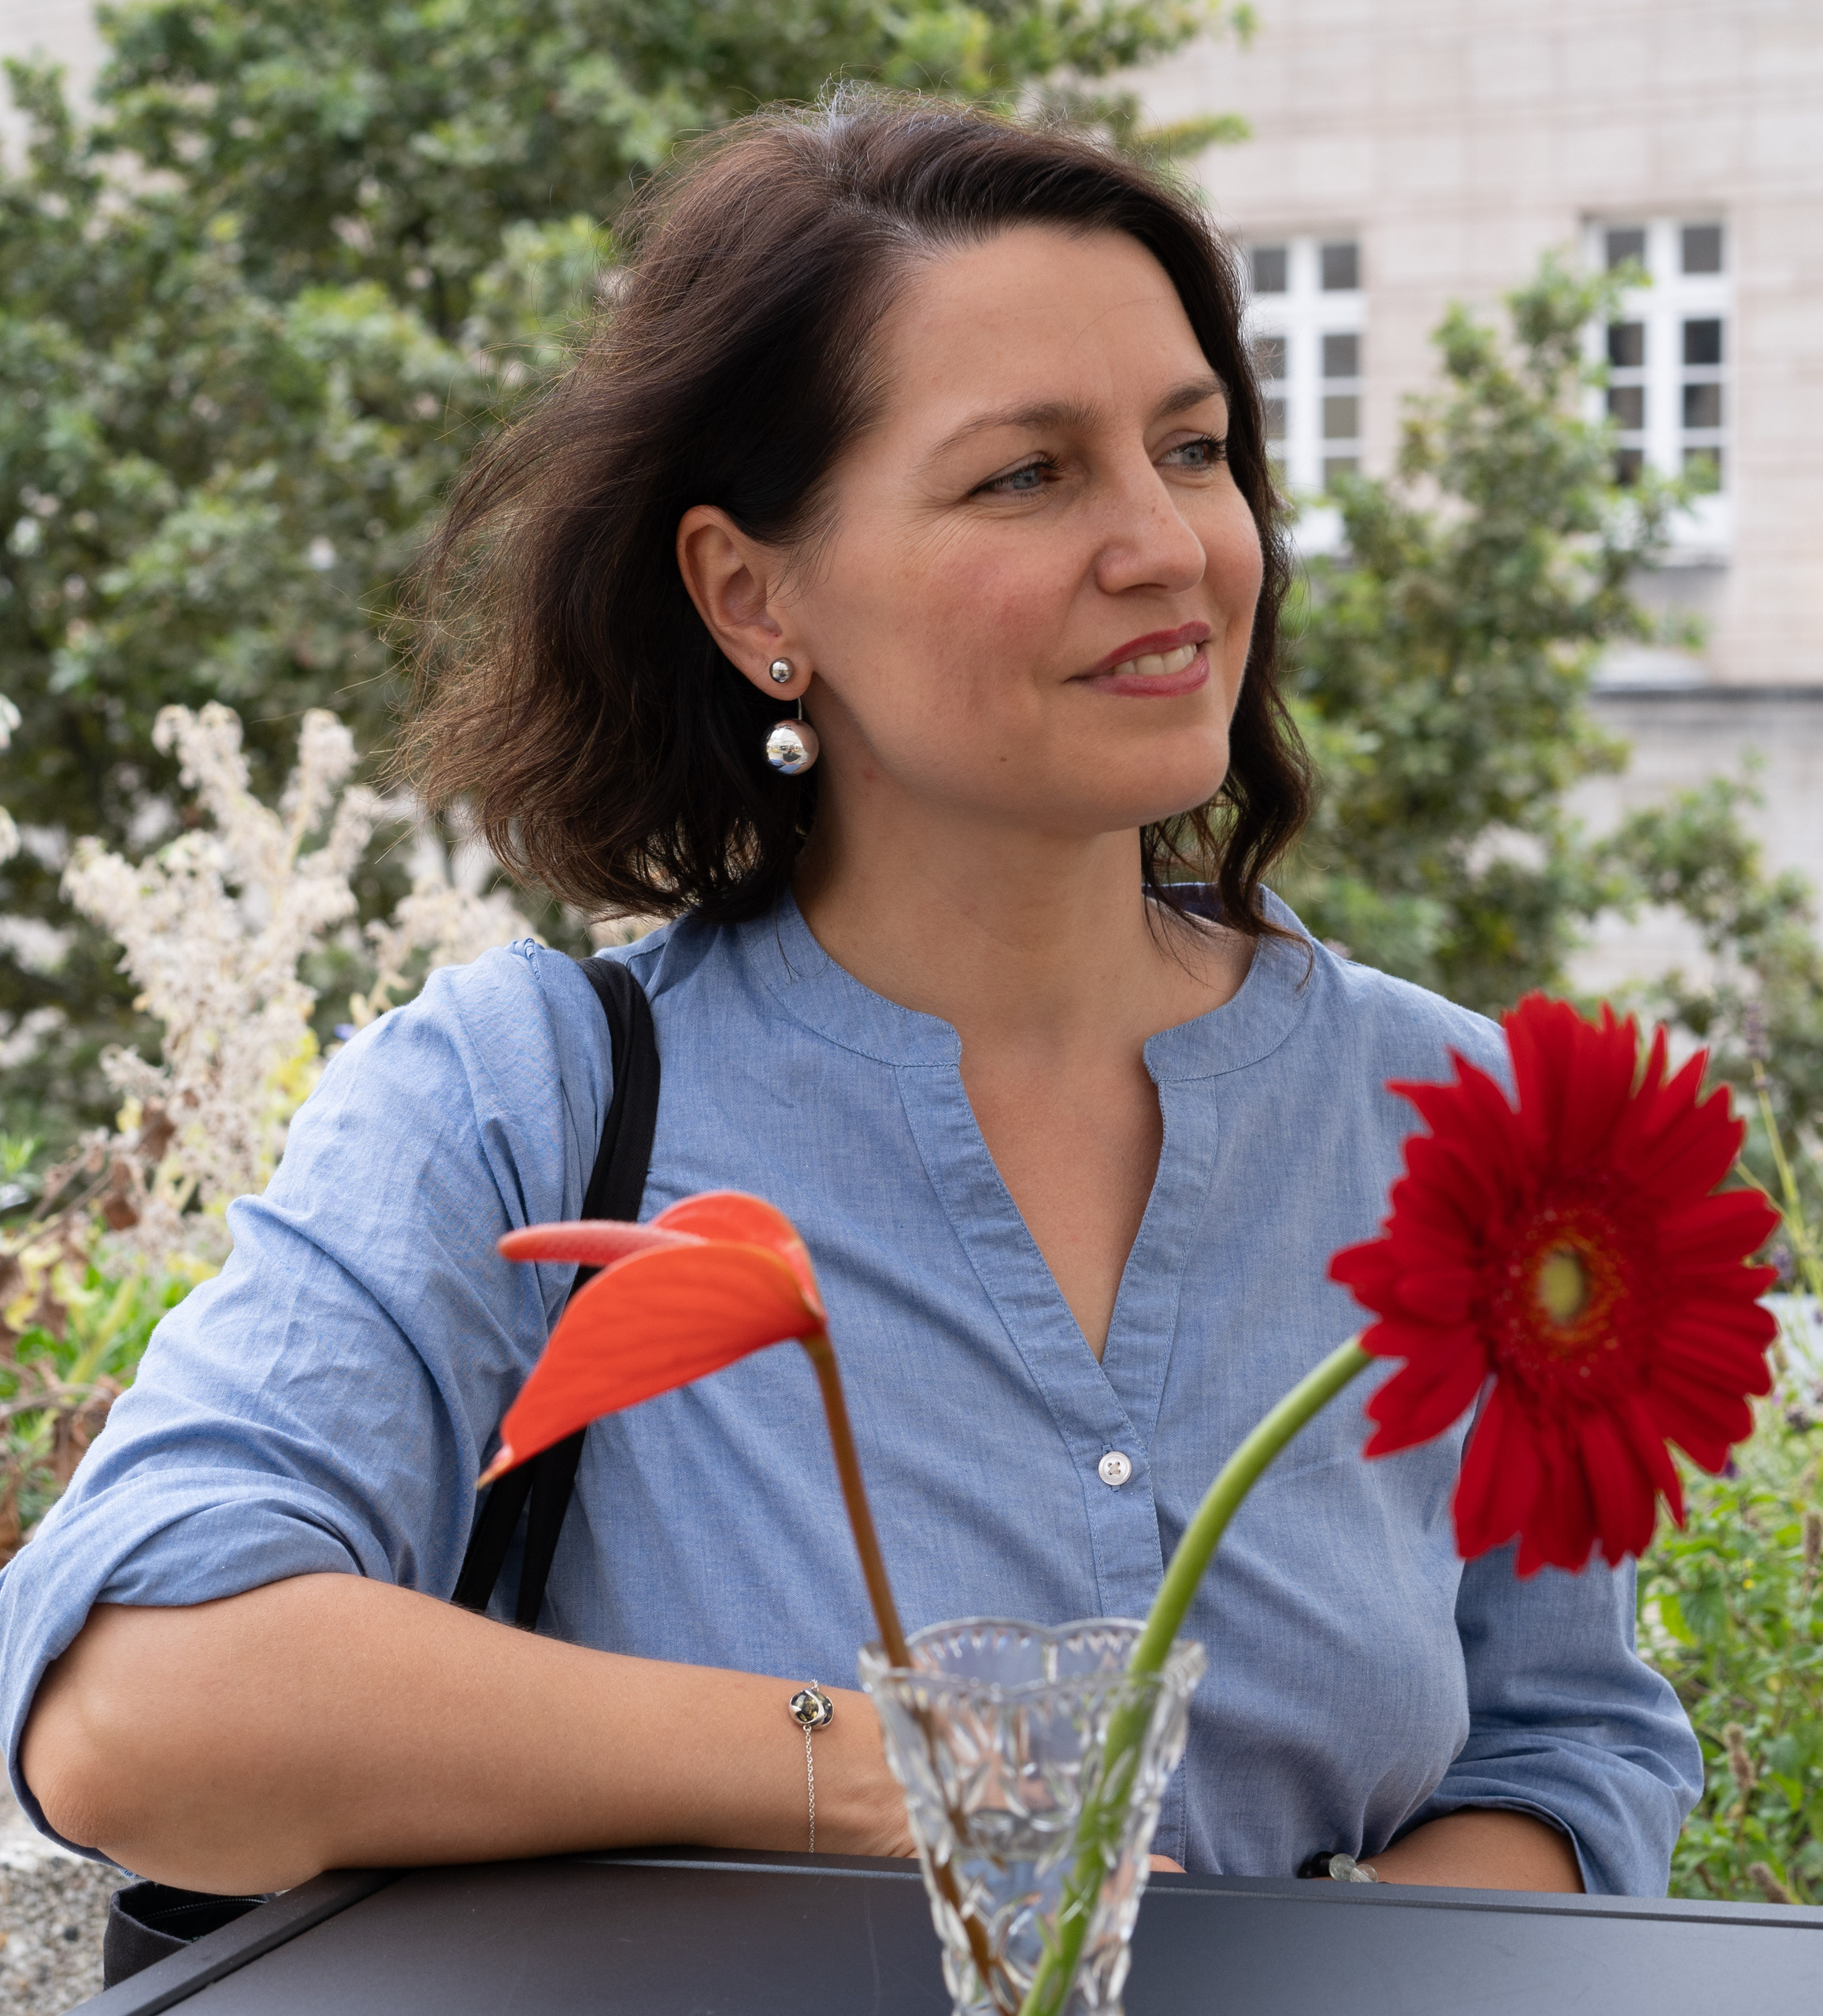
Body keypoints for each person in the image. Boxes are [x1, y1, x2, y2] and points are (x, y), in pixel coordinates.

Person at [7, 95, 1699, 1900]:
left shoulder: (1460, 1121)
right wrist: (905, 1765)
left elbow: (1564, 1738)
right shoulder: (520, 1104)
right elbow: (137, 1697)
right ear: (753, 597)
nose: (1167, 546)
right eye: (1024, 475)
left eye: (1192, 448)